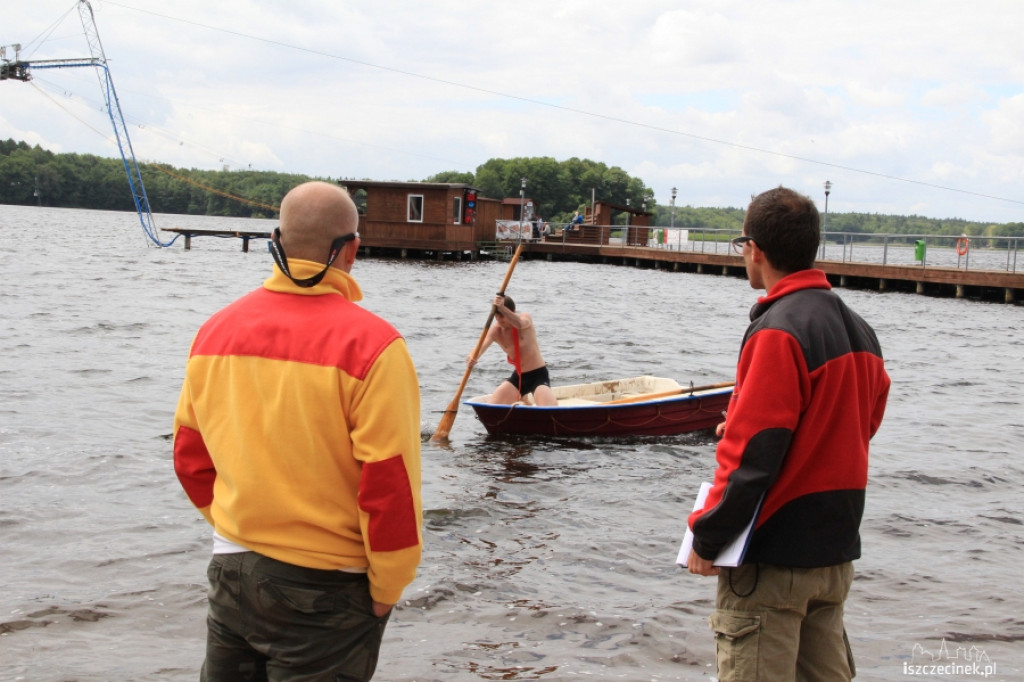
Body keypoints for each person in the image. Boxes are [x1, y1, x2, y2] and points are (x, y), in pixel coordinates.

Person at [173, 181, 422, 682]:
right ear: (351, 249)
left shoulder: (215, 331)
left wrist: (236, 527)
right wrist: (387, 590)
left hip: (232, 570)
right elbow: (389, 486)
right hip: (327, 588)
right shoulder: (375, 346)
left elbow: (190, 458)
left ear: (275, 240)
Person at [686, 186, 890, 681]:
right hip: (834, 551)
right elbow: (862, 422)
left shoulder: (778, 329)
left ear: (754, 249)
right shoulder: (859, 327)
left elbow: (751, 453)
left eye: (742, 245)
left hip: (774, 558)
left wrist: (707, 535)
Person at [467, 293, 558, 406]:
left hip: (538, 375)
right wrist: (472, 358)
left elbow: (520, 324)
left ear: (512, 311)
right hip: (519, 377)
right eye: (497, 316)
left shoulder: (525, 318)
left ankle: (527, 400)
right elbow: (478, 348)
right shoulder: (496, 331)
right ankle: (523, 398)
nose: (499, 320)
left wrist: (502, 308)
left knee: (548, 408)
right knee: (493, 406)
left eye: (502, 316)